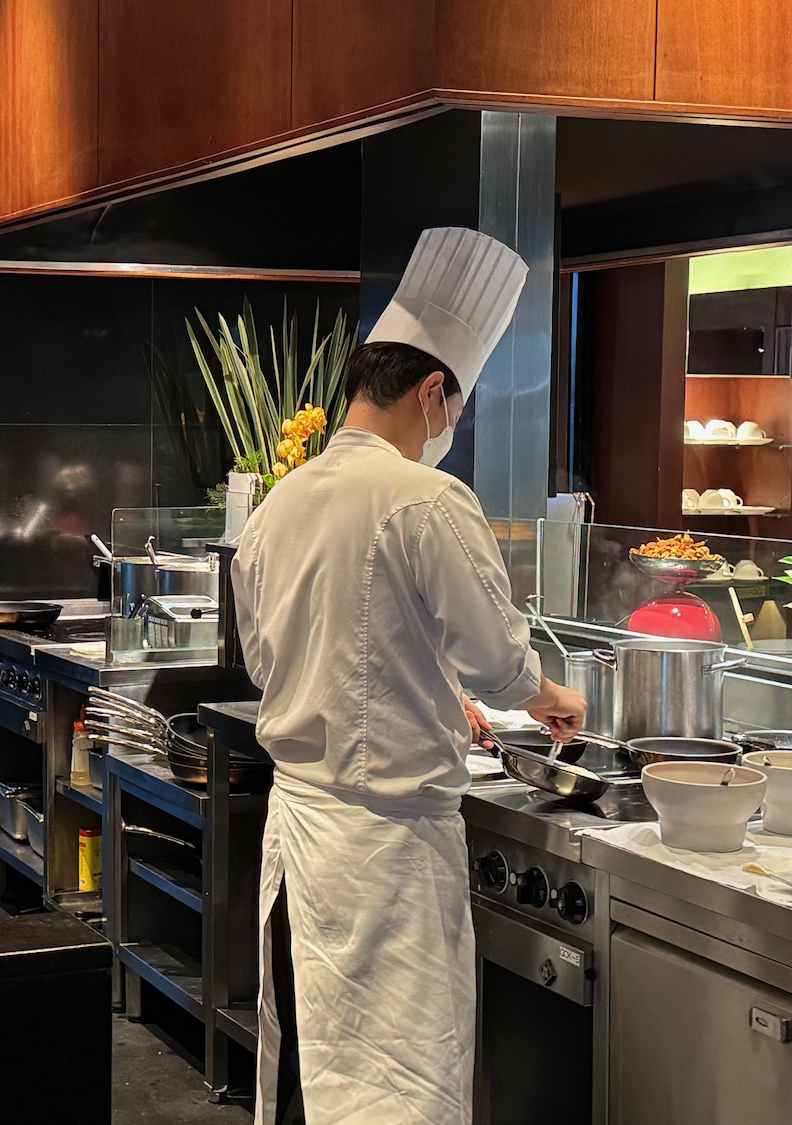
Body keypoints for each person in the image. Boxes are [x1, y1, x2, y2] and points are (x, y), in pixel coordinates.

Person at [232, 227, 587, 1124]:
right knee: (397, 1099)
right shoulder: (426, 497)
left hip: (297, 840)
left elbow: (284, 661)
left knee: (313, 1089)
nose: (451, 431)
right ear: (433, 392)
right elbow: (503, 663)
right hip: (386, 857)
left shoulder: (277, 506)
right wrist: (552, 696)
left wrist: (436, 695)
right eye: (457, 410)